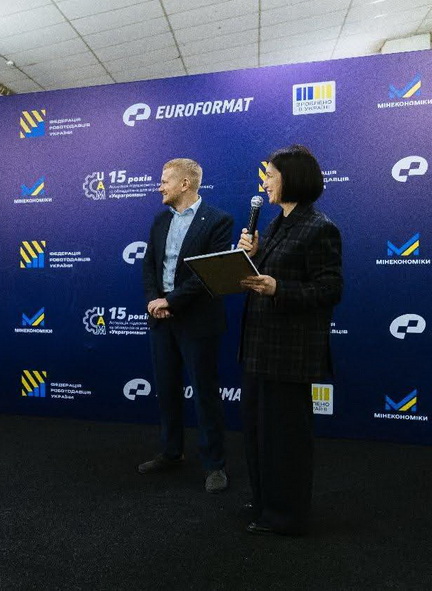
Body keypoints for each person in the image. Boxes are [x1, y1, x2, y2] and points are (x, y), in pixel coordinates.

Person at [237, 144, 343, 536]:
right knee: (259, 435)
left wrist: (278, 287)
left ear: (292, 179)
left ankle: (287, 516)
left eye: (271, 176)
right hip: (259, 349)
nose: (264, 183)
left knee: (285, 440)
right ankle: (266, 502)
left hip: (289, 353)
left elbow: (330, 289)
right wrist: (254, 255)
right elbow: (271, 272)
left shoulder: (319, 227)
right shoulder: (277, 224)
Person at [139, 158, 234, 493]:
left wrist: (172, 301)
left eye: (165, 181)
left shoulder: (219, 221)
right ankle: (171, 452)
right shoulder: (160, 220)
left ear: (185, 184)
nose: (159, 187)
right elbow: (149, 265)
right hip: (161, 319)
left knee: (205, 394)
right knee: (166, 390)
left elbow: (208, 274)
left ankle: (214, 465)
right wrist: (155, 300)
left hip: (198, 320)